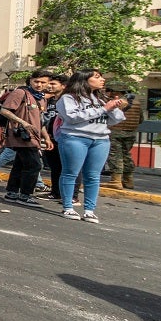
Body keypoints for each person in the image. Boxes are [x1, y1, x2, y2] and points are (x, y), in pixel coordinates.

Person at [55, 69, 128, 223]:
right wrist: (104, 109)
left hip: (100, 140)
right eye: (97, 77)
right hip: (75, 138)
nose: (102, 79)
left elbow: (115, 120)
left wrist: (113, 107)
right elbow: (72, 117)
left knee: (93, 176)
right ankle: (68, 207)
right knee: (70, 173)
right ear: (84, 80)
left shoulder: (99, 99)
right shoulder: (68, 98)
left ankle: (89, 210)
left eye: (101, 76)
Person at [0, 70, 52, 207]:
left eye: (42, 82)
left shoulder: (41, 98)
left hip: (34, 136)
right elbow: (5, 110)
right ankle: (25, 195)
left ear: (47, 83)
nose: (39, 85)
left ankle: (12, 193)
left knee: (20, 164)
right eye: (36, 81)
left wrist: (46, 138)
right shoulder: (21, 93)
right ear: (30, 81)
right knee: (35, 165)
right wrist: (23, 122)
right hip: (21, 136)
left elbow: (41, 121)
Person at [103, 80, 143, 190]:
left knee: (115, 156)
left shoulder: (115, 102)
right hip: (131, 133)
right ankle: (128, 179)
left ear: (115, 92)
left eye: (109, 91)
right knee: (126, 155)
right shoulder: (136, 102)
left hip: (115, 132)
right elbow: (141, 119)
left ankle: (116, 181)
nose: (107, 93)